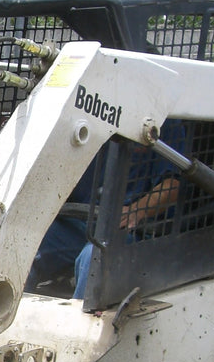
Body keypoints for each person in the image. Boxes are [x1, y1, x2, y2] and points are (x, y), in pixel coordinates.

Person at [27, 119, 185, 298]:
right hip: (80, 221)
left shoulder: (164, 124)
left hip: (128, 229)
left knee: (94, 258)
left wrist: (137, 210)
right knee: (28, 243)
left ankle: (79, 321)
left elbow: (172, 185)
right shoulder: (88, 115)